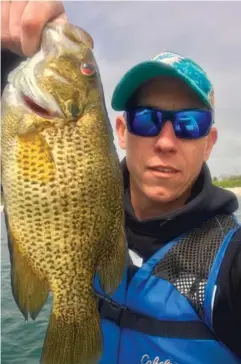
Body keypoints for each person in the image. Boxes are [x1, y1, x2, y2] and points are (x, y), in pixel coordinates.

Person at [1, 2, 241, 363]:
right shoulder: (94, 219)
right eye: (147, 119)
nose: (165, 141)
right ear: (122, 131)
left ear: (209, 143)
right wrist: (9, 48)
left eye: (189, 124)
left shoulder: (233, 266)